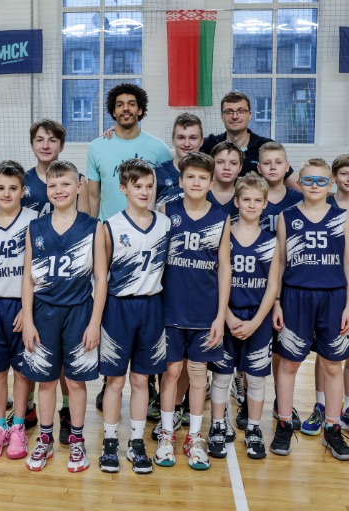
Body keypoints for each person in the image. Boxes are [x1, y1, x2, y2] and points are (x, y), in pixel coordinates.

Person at [21, 160, 107, 473]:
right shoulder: (35, 227)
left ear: (79, 186)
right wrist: (27, 320)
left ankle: (77, 440)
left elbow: (101, 278)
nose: (59, 190)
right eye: (53, 185)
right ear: (47, 189)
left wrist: (95, 322)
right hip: (43, 312)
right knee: (45, 381)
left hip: (80, 312)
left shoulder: (93, 226)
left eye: (66, 184)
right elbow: (27, 278)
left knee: (75, 381)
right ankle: (44, 438)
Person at [271, 159, 349, 461]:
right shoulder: (287, 216)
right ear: (300, 183)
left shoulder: (342, 216)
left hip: (333, 298)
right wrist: (277, 301)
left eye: (321, 181)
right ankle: (284, 423)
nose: (315, 186)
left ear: (331, 184)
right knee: (289, 364)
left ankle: (332, 428)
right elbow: (280, 261)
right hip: (295, 296)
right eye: (309, 180)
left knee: (332, 365)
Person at [154, 152, 230, 471]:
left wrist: (220, 316)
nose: (196, 182)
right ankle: (167, 434)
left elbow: (224, 268)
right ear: (181, 180)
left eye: (202, 178)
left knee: (198, 373)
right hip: (170, 308)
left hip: (204, 311)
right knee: (171, 372)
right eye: (191, 177)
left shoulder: (222, 216)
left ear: (211, 183)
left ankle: (195, 437)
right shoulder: (166, 210)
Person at [301, 154, 349, 441]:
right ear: (334, 177)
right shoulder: (324, 204)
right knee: (326, 352)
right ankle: (321, 406)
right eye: (344, 173)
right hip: (331, 288)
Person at [98, 159, 170, 475]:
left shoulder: (165, 224)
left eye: (149, 186)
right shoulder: (110, 226)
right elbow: (101, 278)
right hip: (118, 308)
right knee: (114, 381)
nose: (144, 191)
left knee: (141, 380)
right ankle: (110, 441)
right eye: (137, 186)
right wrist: (96, 320)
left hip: (152, 307)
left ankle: (137, 442)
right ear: (123, 188)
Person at [20, 119, 90, 443]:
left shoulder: (80, 197)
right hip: (40, 286)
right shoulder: (24, 183)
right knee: (41, 367)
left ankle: (68, 416)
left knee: (70, 372)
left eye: (52, 139)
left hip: (73, 292)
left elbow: (85, 231)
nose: (46, 144)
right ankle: (32, 416)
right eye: (40, 139)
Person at [208, 173, 280, 460]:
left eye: (257, 200)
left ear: (265, 204)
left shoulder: (272, 241)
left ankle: (253, 428)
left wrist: (256, 321)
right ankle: (217, 425)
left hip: (257, 319)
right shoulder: (224, 237)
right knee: (222, 376)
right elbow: (216, 278)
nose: (251, 205)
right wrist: (226, 316)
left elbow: (273, 285)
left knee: (257, 378)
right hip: (227, 315)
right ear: (236, 202)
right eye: (246, 199)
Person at [0, 161, 39, 461]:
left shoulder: (34, 221)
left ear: (23, 191)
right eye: (1, 187)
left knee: (23, 372)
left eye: (13, 188)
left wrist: (28, 310)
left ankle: (18, 427)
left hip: (21, 305)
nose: (6, 193)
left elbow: (39, 270)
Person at [254, 141, 303, 432]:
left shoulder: (299, 198)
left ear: (287, 167)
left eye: (278, 162)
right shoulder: (250, 196)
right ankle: (247, 399)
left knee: (281, 348)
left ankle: (281, 402)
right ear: (259, 168)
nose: (273, 167)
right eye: (267, 163)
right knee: (253, 345)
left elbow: (332, 201)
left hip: (288, 284)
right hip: (254, 281)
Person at [86, 83, 172, 221]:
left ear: (140, 110)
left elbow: (168, 193)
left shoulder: (159, 148)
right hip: (108, 228)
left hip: (147, 228)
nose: (125, 108)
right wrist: (93, 227)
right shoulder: (96, 147)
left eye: (131, 104)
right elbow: (93, 196)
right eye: (120, 105)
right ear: (113, 112)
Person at [200, 91, 297, 188]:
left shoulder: (265, 147)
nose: (235, 116)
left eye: (241, 111)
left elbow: (297, 186)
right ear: (222, 116)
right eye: (229, 112)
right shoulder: (208, 144)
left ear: (250, 115)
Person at [22, 118, 91, 216]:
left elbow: (85, 222)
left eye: (52, 140)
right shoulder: (22, 181)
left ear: (61, 146)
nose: (45, 146)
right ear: (32, 145)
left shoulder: (78, 180)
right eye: (39, 140)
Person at [154, 113, 205, 208]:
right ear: (173, 139)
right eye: (181, 137)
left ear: (201, 141)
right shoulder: (157, 173)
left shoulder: (211, 174)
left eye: (193, 138)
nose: (187, 144)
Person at [209, 140, 244, 220]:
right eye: (220, 162)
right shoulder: (200, 194)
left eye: (233, 163)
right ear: (212, 164)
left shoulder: (245, 198)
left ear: (240, 167)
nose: (227, 167)